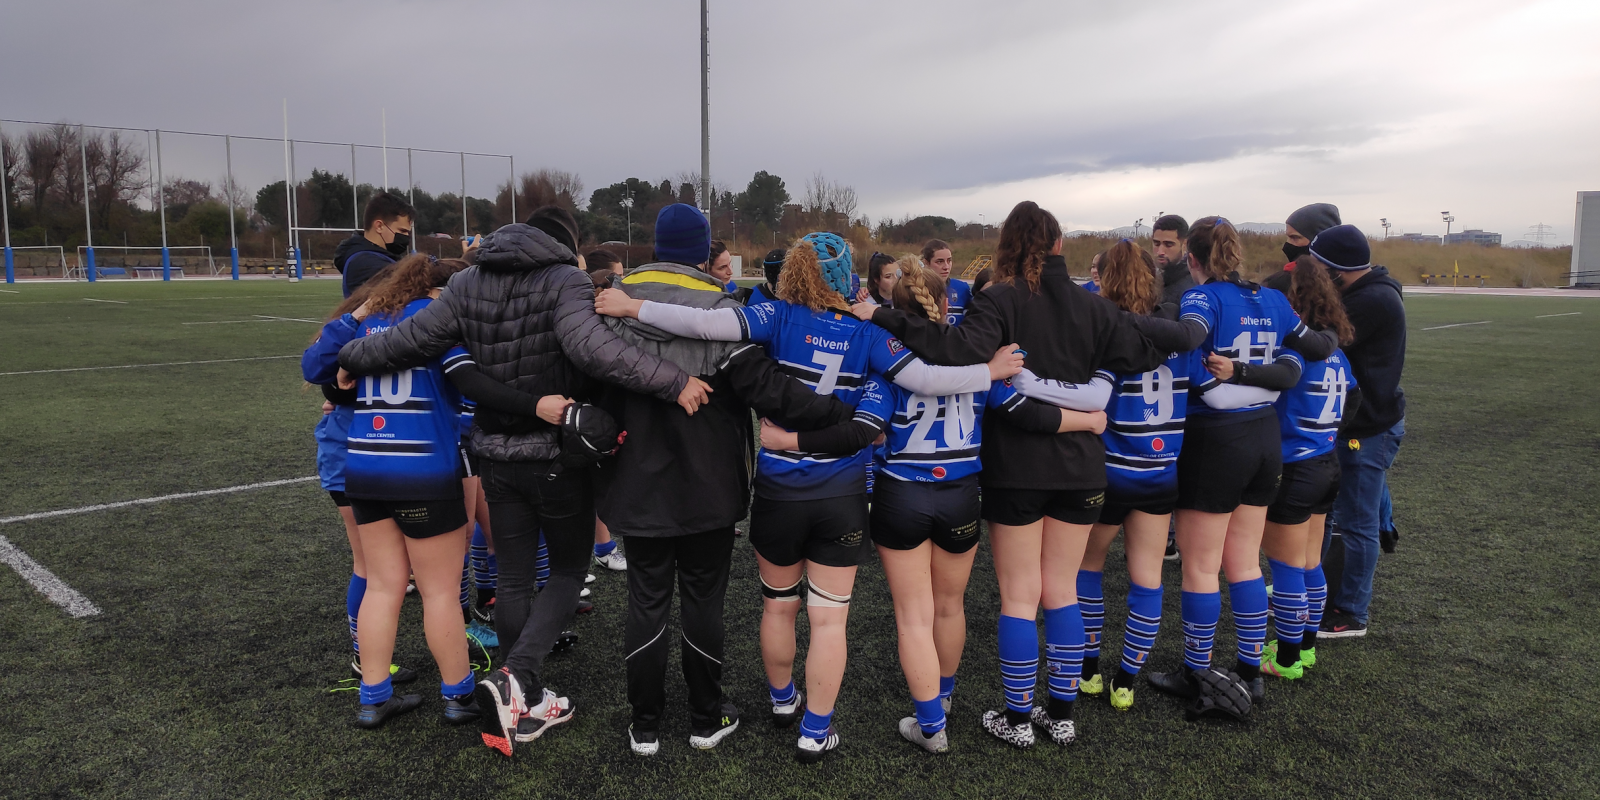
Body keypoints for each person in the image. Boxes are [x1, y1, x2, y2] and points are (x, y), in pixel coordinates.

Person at [596, 232, 1023, 763]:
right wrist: (990, 371)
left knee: (778, 607)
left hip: (778, 492)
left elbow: (704, 324)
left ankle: (782, 702)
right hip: (842, 495)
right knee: (828, 619)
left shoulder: (774, 315)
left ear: (795, 271)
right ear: (846, 276)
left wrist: (633, 304)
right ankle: (814, 730)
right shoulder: (868, 335)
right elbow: (928, 378)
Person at [338, 205, 712, 758]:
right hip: (554, 449)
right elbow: (595, 350)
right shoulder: (562, 279)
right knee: (566, 570)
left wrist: (350, 355)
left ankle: (523, 696)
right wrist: (674, 380)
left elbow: (409, 339)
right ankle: (519, 678)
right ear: (564, 244)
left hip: (494, 456)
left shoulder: (467, 281)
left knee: (513, 578)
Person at [852, 200, 1170, 748]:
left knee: (1021, 596)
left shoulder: (997, 298)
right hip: (1082, 472)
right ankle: (1061, 713)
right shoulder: (1091, 304)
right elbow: (1147, 351)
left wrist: (879, 314)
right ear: (1059, 246)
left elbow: (959, 357)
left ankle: (1019, 719)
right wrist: (1089, 414)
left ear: (1005, 246)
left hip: (1015, 471)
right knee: (1062, 591)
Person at [768, 260, 1106, 753]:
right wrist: (1089, 420)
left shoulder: (889, 362)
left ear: (891, 311)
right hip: (961, 496)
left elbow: (867, 427)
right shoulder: (977, 364)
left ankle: (932, 726)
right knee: (949, 607)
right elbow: (1022, 411)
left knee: (913, 616)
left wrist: (789, 439)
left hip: (901, 493)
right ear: (948, 305)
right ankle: (943, 700)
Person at [595, 203, 857, 756]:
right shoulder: (720, 309)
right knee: (701, 602)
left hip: (636, 484)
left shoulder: (608, 306)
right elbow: (772, 392)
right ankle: (704, 717)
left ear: (656, 246)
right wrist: (847, 416)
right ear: (703, 249)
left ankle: (644, 725)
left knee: (645, 600)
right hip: (709, 484)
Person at [1134, 217, 1335, 716]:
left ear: (1193, 260)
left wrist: (1121, 319)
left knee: (1202, 567)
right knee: (1244, 562)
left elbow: (1188, 335)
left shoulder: (1204, 296)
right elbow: (1317, 348)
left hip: (1217, 441)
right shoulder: (1272, 298)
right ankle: (1248, 672)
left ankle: (1197, 672)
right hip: (1265, 437)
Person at [302, 256, 492, 729]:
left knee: (383, 586)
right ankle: (458, 696)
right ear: (444, 290)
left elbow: (314, 366)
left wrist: (357, 315)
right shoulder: (439, 321)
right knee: (440, 591)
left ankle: (374, 698)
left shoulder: (371, 326)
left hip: (363, 467)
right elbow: (472, 385)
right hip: (422, 469)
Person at [1014, 239, 1198, 712]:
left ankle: (1089, 670)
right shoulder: (1180, 333)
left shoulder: (1105, 329)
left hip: (1111, 471)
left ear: (1105, 279)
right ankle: (1127, 681)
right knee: (1147, 579)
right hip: (1161, 474)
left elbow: (1090, 395)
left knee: (1084, 570)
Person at [302, 282, 420, 691]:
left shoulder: (363, 323)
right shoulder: (372, 325)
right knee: (376, 567)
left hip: (362, 454)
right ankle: (366, 659)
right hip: (364, 456)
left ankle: (365, 656)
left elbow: (322, 374)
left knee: (383, 566)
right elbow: (319, 371)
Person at [1254, 255, 1357, 679]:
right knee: (1310, 561)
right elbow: (1353, 402)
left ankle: (1288, 659)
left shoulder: (1295, 352)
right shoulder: (1335, 354)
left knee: (1287, 567)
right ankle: (1306, 648)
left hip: (1295, 468)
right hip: (1327, 462)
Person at [1312, 224, 1405, 639]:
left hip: (1366, 428)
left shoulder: (1371, 300)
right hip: (1361, 423)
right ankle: (1331, 594)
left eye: (1316, 264)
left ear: (1336, 271)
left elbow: (1319, 344)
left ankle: (1351, 613)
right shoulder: (1367, 292)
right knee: (1345, 514)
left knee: (1356, 523)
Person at [332, 192, 415, 298]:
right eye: (402, 231)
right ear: (379, 226)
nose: (406, 236)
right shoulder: (364, 263)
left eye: (408, 232)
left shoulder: (380, 257)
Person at [1264, 203, 1340, 293]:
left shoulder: (1280, 287)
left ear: (1318, 240)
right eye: (1288, 237)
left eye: (1295, 238)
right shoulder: (1280, 282)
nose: (1288, 244)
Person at [922, 239, 970, 325]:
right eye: (940, 262)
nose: (946, 266)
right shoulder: (917, 289)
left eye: (949, 260)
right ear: (926, 263)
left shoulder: (962, 289)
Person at [1150, 214, 1193, 307]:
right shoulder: (1146, 278)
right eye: (1156, 244)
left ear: (1184, 244)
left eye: (1168, 245)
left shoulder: (1192, 288)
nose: (1160, 252)